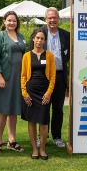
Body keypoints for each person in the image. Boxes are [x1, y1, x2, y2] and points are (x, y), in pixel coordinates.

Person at [0, 10, 27, 154]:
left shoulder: (21, 36)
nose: (12, 23)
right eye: (9, 20)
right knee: (3, 110)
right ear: (4, 22)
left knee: (13, 109)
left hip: (19, 78)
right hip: (5, 77)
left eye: (14, 21)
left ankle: (12, 140)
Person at [36, 7, 70, 148]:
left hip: (60, 75)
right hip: (43, 76)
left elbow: (68, 55)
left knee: (58, 108)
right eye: (50, 18)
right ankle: (42, 136)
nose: (52, 20)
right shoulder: (39, 33)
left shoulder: (66, 35)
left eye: (55, 18)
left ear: (59, 19)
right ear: (45, 19)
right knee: (43, 107)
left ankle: (57, 136)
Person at [21, 27, 56, 160]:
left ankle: (42, 149)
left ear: (44, 40)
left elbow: (53, 76)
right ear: (33, 39)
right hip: (31, 91)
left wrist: (49, 93)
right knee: (31, 121)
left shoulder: (49, 56)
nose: (39, 40)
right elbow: (23, 76)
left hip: (44, 92)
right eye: (37, 38)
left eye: (42, 38)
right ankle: (34, 149)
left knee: (43, 121)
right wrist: (24, 93)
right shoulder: (26, 56)